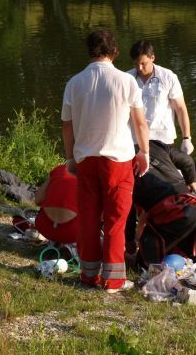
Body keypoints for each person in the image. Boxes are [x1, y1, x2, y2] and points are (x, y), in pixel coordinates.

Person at [61, 30, 150, 293]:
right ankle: (113, 281)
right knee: (116, 220)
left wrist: (69, 157)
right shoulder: (126, 81)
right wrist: (144, 153)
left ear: (90, 51)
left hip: (86, 157)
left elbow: (67, 126)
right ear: (115, 52)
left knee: (88, 218)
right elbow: (140, 123)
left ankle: (88, 275)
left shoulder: (74, 83)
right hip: (118, 160)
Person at [128, 140, 196, 267]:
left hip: (171, 214)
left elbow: (128, 213)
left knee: (142, 265)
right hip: (193, 206)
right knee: (191, 255)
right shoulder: (155, 145)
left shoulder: (121, 163)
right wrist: (189, 183)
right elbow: (188, 162)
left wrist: (130, 244)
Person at [127, 40, 194, 154]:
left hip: (163, 140)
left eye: (143, 63)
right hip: (134, 140)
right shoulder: (126, 79)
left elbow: (180, 108)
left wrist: (186, 138)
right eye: (136, 64)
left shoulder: (168, 77)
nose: (139, 68)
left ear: (152, 57)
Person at [33, 164, 79, 245]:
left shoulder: (59, 169)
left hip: (44, 227)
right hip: (73, 234)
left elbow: (38, 200)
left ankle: (55, 241)